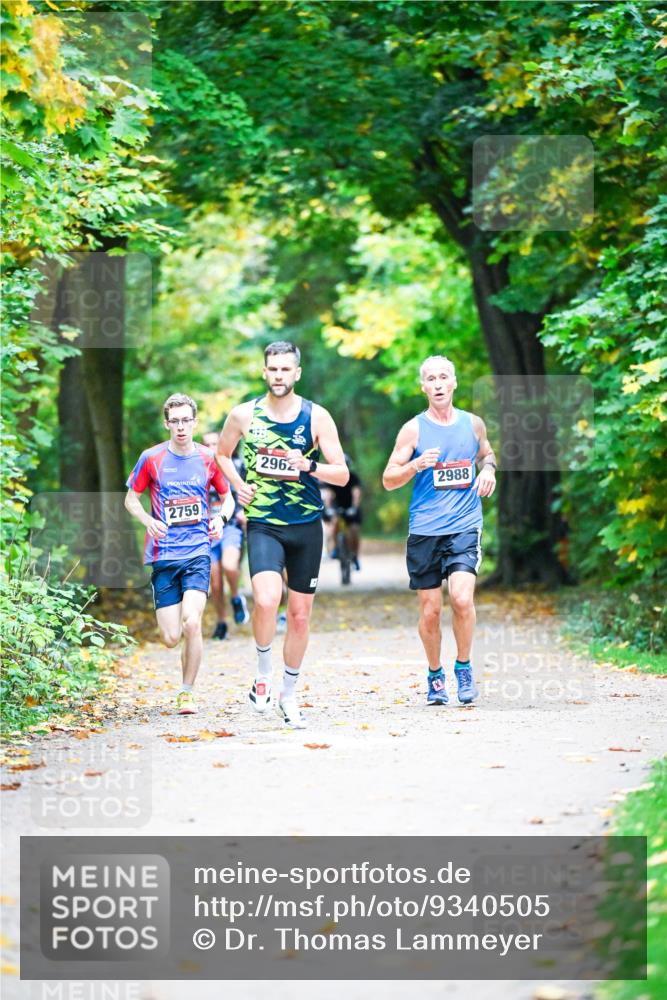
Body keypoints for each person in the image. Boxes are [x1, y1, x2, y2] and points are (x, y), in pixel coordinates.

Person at [216, 341, 349, 728]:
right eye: (272, 369)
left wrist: (309, 464)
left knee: (300, 615)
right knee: (265, 598)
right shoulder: (243, 415)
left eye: (285, 370)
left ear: (297, 373)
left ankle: (289, 695)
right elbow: (222, 454)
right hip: (263, 522)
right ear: (264, 372)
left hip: (306, 525)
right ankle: (262, 673)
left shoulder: (316, 417)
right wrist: (238, 486)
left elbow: (340, 473)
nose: (278, 376)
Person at [382, 356, 497, 706]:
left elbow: (487, 454)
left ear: (454, 382)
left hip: (464, 526)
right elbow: (388, 479)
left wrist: (489, 470)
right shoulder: (413, 430)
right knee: (431, 611)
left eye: (443, 377)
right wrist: (416, 464)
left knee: (462, 599)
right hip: (425, 530)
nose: (437, 383)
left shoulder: (473, 424)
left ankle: (463, 668)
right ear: (423, 387)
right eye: (430, 378)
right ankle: (435, 675)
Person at [125, 393, 234, 715]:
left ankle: (186, 692)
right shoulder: (151, 458)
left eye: (187, 420)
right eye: (175, 421)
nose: (181, 427)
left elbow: (228, 498)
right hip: (163, 555)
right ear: (167, 423)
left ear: (195, 422)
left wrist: (220, 519)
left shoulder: (208, 458)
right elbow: (131, 499)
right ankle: (183, 671)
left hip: (198, 551)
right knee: (171, 638)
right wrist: (148, 520)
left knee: (192, 622)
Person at [202, 431, 250, 639]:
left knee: (230, 566)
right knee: (215, 581)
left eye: (215, 443)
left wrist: (244, 512)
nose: (212, 448)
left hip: (230, 526)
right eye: (208, 444)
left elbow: (249, 491)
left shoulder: (237, 465)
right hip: (207, 530)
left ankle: (237, 598)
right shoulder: (198, 469)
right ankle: (221, 622)